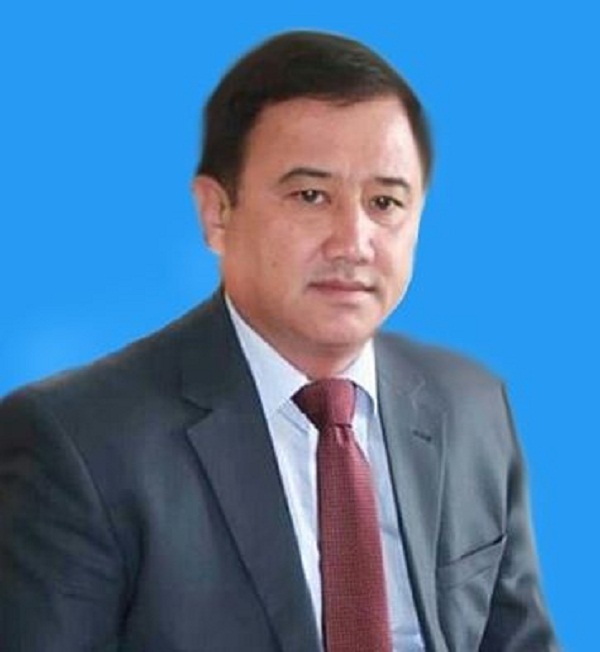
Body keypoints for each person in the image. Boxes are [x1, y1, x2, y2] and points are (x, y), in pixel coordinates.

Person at [0, 30, 559, 652]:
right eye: (310, 196)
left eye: (384, 202)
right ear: (217, 213)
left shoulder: (472, 406)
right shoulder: (78, 443)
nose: (354, 243)